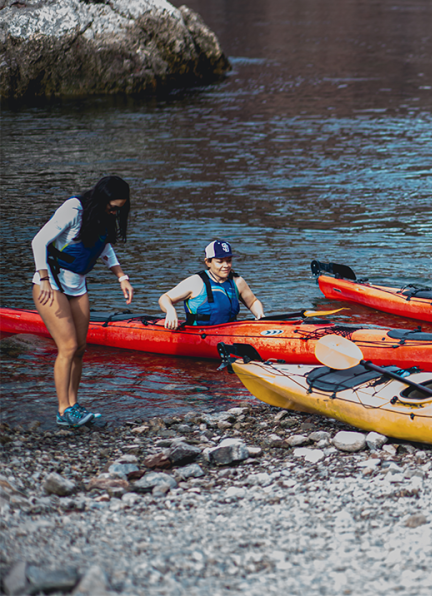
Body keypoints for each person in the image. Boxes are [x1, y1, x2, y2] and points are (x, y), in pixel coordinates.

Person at [31, 176, 135, 428]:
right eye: (112, 207)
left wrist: (121, 276)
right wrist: (43, 277)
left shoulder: (103, 217)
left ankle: (74, 405)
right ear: (101, 200)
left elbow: (104, 248)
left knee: (80, 348)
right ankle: (63, 410)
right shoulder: (74, 209)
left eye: (119, 209)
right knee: (67, 346)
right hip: (50, 283)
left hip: (77, 285)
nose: (115, 212)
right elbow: (38, 241)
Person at [158, 240, 264, 329]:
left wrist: (260, 316)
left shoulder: (237, 281)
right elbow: (165, 298)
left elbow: (252, 302)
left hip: (230, 334)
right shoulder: (196, 282)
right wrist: (170, 311)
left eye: (229, 260)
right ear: (208, 262)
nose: (226, 265)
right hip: (198, 336)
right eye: (220, 261)